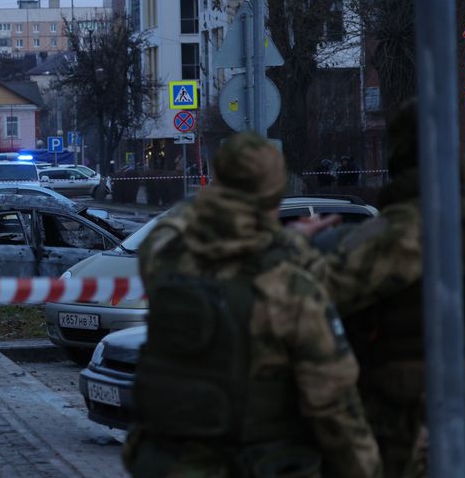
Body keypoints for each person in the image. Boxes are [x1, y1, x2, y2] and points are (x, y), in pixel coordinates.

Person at [125, 133, 381, 478]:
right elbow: (334, 407)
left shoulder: (165, 260)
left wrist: (270, 231)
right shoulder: (290, 289)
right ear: (274, 196)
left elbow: (175, 227)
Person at [304, 100, 465, 477]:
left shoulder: (404, 229)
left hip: (423, 428)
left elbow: (308, 299)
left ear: (400, 154)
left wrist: (293, 250)